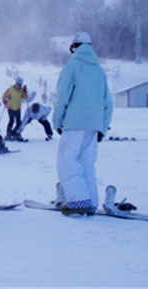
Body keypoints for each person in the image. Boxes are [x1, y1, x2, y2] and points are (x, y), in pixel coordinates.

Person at [53, 31, 113, 216]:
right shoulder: (99, 70)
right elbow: (108, 103)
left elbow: (63, 95)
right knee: (87, 163)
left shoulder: (72, 66)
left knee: (67, 161)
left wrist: (57, 121)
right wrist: (102, 127)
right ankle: (91, 201)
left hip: (74, 122)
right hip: (94, 125)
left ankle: (78, 200)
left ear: (74, 47)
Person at [3, 77, 29, 141]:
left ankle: (15, 133)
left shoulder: (21, 90)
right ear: (15, 83)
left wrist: (25, 91)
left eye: (20, 84)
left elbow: (25, 98)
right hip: (10, 107)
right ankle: (9, 133)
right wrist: (5, 101)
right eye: (17, 84)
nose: (18, 85)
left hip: (17, 108)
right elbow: (4, 96)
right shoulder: (11, 89)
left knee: (18, 122)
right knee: (11, 121)